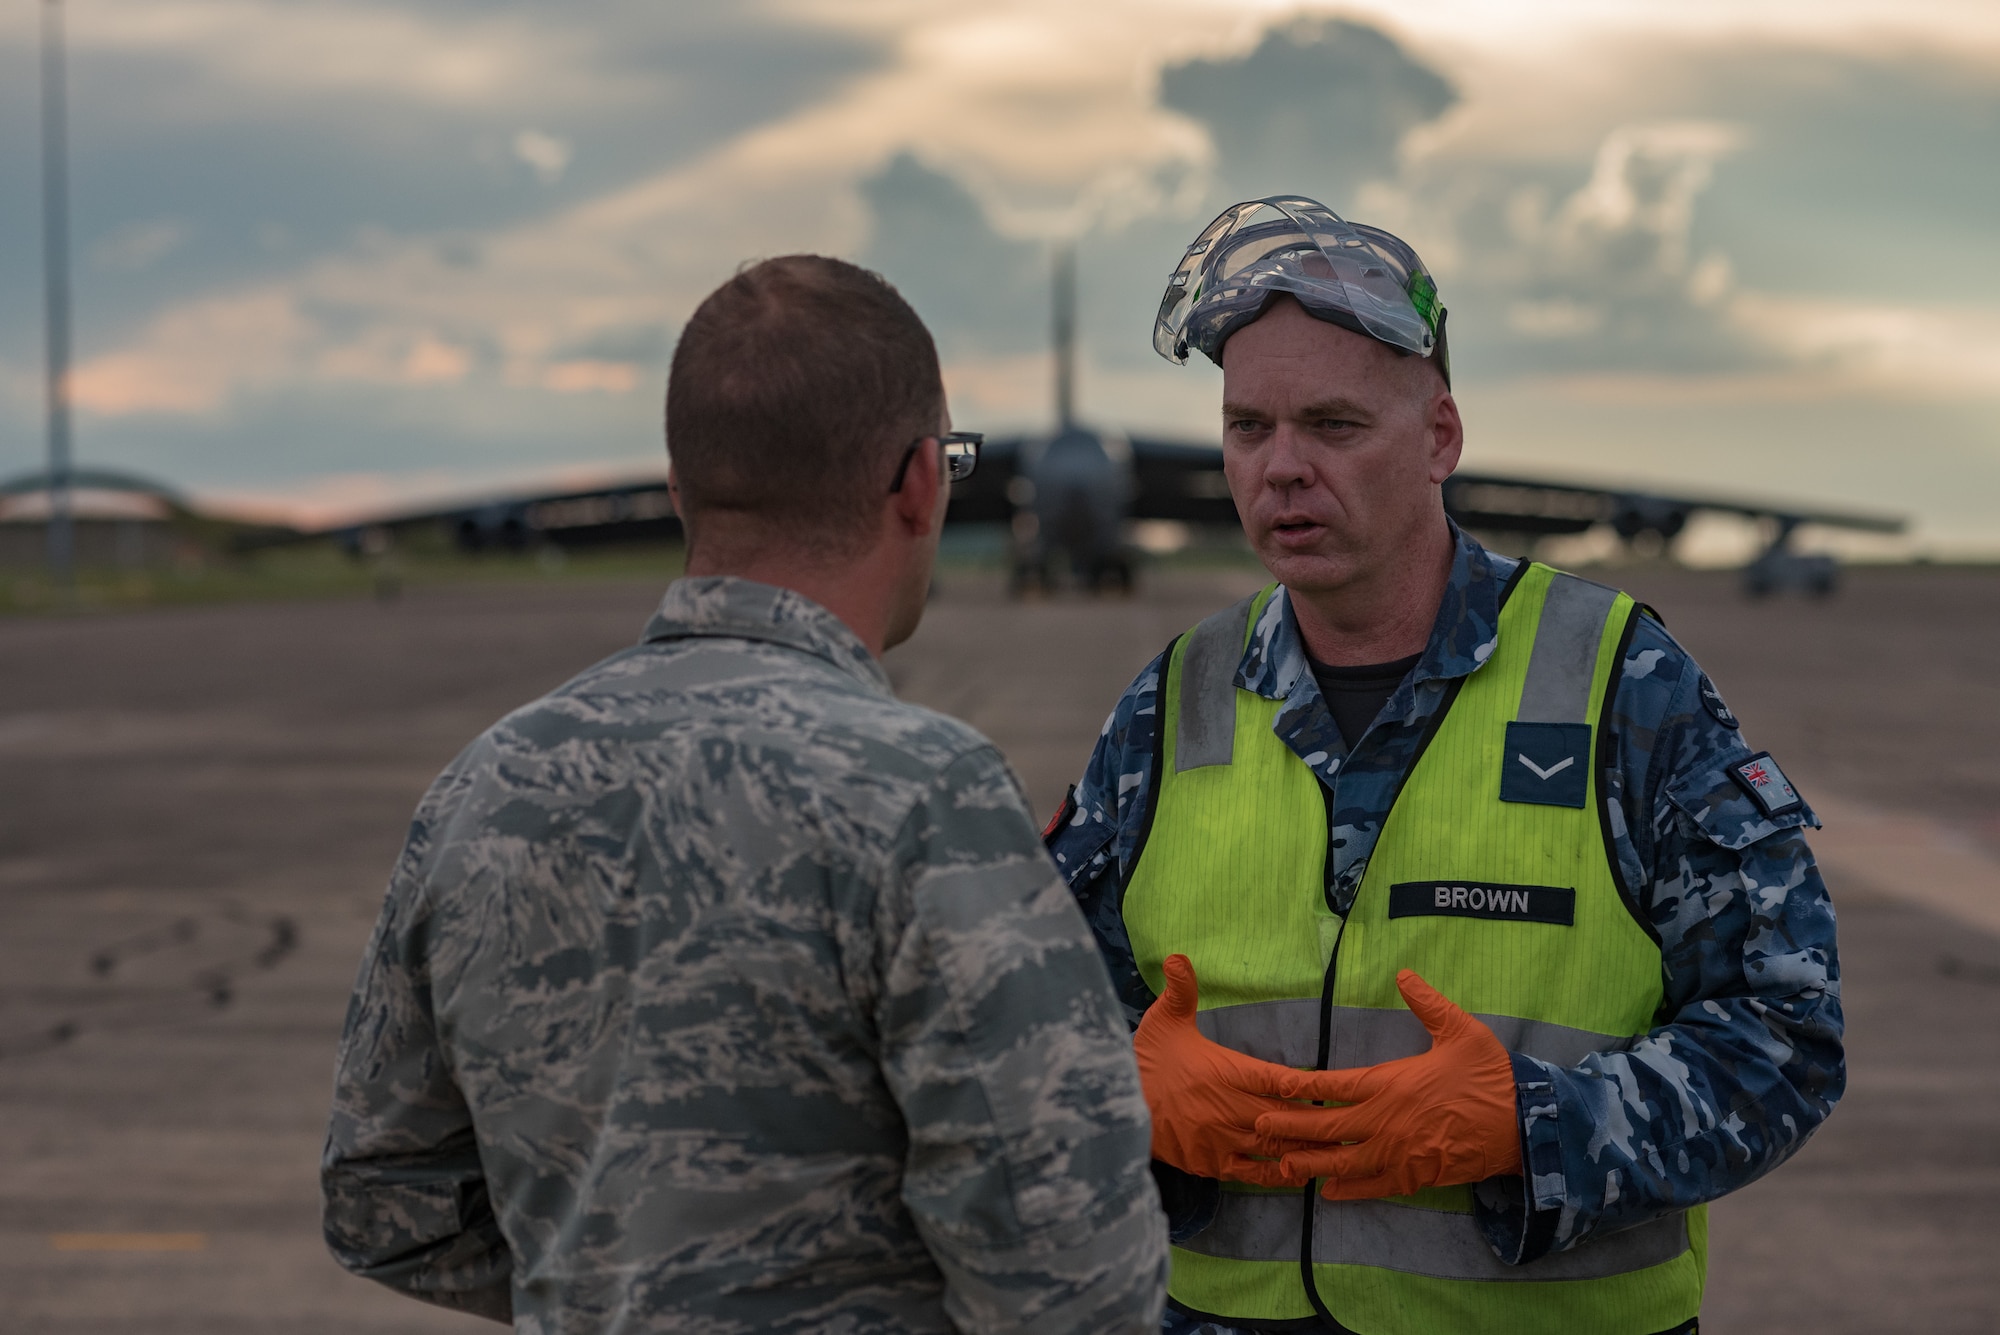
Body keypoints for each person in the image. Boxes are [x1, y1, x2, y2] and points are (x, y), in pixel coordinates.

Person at [322, 255, 1170, 1333]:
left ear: (680, 491)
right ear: (918, 482)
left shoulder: (483, 788)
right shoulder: (924, 800)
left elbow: (383, 1201)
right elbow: (1075, 1280)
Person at [1044, 197, 1844, 1334]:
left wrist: (1529, 1127)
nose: (1280, 470)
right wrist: (1117, 1089)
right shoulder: (1171, 705)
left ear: (1439, 437)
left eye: (1331, 426)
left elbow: (1785, 1035)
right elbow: (1028, 1023)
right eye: (1247, 427)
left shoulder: (1618, 687)